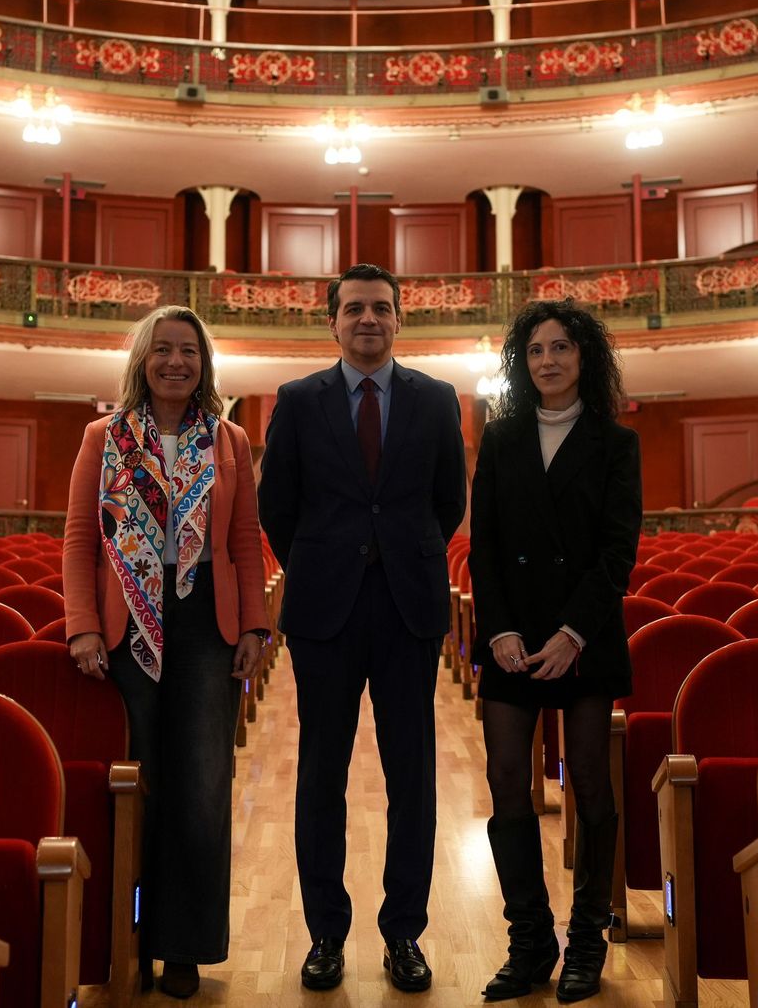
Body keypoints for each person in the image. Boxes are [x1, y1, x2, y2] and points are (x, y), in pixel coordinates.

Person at [258, 263, 468, 993]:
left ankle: (404, 931)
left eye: (382, 307)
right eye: (355, 308)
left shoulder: (438, 400)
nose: (368, 319)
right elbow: (275, 506)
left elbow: (449, 502)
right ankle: (325, 933)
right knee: (322, 774)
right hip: (326, 611)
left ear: (400, 319)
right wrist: (320, 564)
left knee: (413, 777)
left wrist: (398, 555)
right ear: (333, 322)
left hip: (408, 608)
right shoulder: (296, 400)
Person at [63, 305, 269, 999]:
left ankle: (183, 944)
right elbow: (78, 540)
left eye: (189, 351)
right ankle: (130, 940)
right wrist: (83, 623)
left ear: (204, 363)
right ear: (142, 361)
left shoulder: (230, 440)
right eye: (163, 351)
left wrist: (254, 628)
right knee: (136, 786)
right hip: (127, 623)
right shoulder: (104, 437)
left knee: (202, 786)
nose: (176, 362)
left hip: (207, 622)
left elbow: (245, 540)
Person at [466, 299, 641, 1003]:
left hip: (585, 638)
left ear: (584, 357)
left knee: (592, 782)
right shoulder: (501, 436)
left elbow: (616, 550)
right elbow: (484, 546)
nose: (548, 360)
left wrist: (572, 634)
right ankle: (530, 938)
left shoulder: (614, 442)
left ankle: (587, 940)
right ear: (522, 361)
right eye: (535, 350)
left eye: (561, 348)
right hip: (512, 638)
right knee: (507, 776)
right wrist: (501, 629)